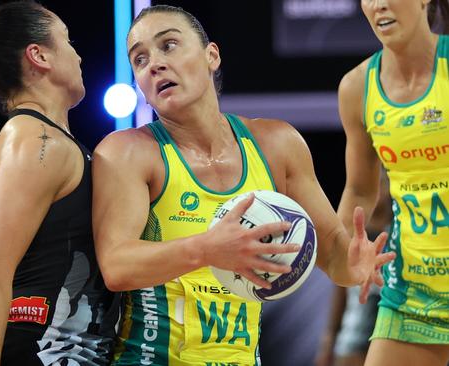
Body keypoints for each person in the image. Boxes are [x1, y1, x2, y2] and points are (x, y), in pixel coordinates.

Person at [92, 5, 395, 365]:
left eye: (169, 45)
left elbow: (331, 251)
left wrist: (354, 263)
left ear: (211, 56)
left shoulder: (277, 143)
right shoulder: (127, 152)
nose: (154, 63)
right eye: (139, 59)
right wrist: (208, 249)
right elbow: (116, 266)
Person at [0, 2, 119, 365]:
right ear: (39, 55)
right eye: (68, 41)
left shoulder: (50, 142)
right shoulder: (34, 138)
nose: (80, 57)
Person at [336, 0, 449, 365]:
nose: (379, 5)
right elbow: (360, 189)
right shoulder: (356, 87)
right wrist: (344, 249)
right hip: (412, 295)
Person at [316, 170, 392, 366]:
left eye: (383, 184)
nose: (379, 191)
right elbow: (339, 291)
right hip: (355, 329)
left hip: (393, 326)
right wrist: (329, 338)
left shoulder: (400, 231)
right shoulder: (355, 233)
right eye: (377, 184)